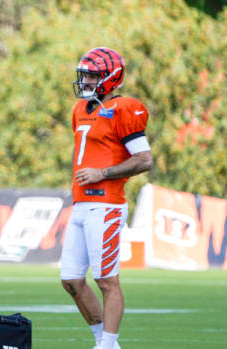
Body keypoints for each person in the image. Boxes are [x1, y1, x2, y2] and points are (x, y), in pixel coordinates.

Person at [61, 47, 153, 349]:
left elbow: (143, 159)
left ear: (111, 78)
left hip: (106, 204)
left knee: (106, 280)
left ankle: (106, 345)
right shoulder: (80, 110)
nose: (85, 80)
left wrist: (103, 173)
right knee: (71, 281)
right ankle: (105, 342)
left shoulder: (125, 108)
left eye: (92, 75)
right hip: (81, 203)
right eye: (84, 74)